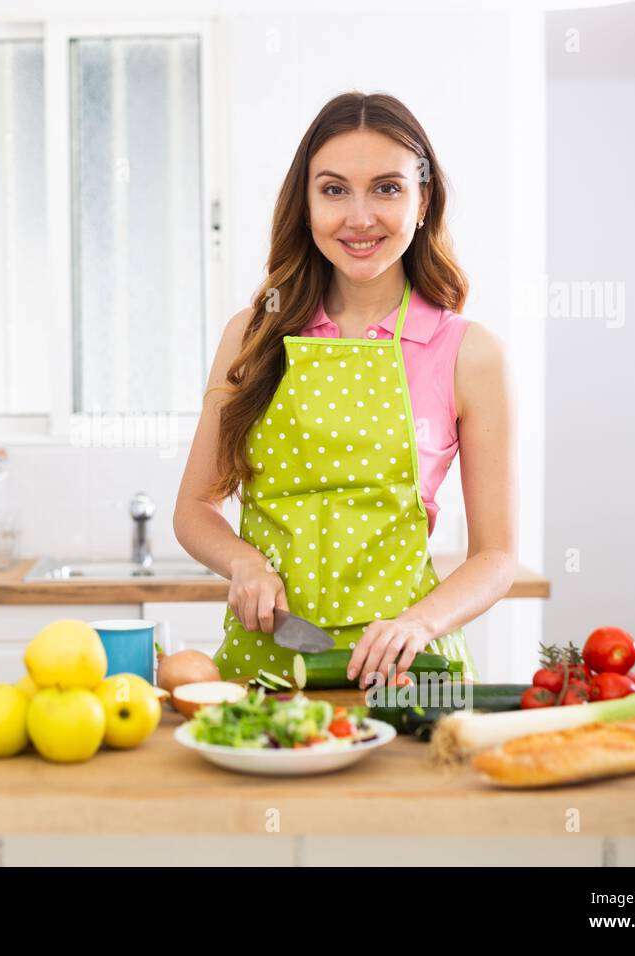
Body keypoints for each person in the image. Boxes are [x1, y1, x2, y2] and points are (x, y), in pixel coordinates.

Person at [174, 91, 517, 689]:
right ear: (305, 205)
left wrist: (419, 624)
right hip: (265, 674)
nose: (360, 217)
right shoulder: (252, 335)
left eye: (387, 188)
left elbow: (496, 556)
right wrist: (243, 563)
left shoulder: (470, 352)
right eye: (334, 190)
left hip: (407, 678)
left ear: (422, 200)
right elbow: (194, 509)